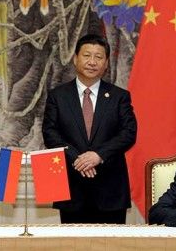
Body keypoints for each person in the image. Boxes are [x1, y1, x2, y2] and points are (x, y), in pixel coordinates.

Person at [42, 34, 137, 223]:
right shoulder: (57, 96)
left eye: (98, 57)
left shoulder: (120, 96)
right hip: (71, 187)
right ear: (76, 59)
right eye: (87, 55)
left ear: (106, 63)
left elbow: (128, 133)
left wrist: (98, 155)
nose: (92, 62)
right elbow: (50, 133)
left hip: (110, 191)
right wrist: (78, 159)